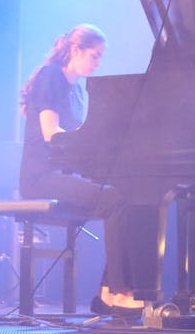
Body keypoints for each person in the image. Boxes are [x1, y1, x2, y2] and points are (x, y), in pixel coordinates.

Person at [19, 23, 144, 315]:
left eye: (101, 57)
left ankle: (107, 292)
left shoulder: (76, 90)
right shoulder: (51, 76)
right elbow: (52, 134)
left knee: (125, 197)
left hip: (59, 173)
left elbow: (79, 138)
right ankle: (116, 291)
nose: (98, 63)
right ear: (75, 50)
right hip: (40, 176)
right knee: (112, 199)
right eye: (95, 55)